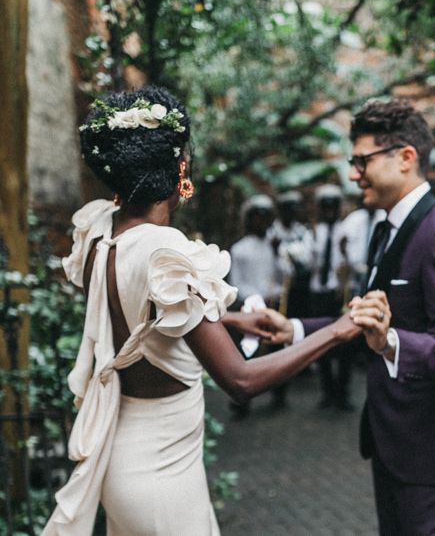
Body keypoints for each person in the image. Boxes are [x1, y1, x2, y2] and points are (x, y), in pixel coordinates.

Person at [42, 86, 388, 535]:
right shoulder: (166, 251)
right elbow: (241, 381)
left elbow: (136, 318)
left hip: (124, 459)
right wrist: (338, 331)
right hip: (161, 473)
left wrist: (229, 319)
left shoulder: (100, 232)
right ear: (180, 167)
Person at [264, 99, 435, 535]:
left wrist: (390, 342)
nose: (353, 174)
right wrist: (293, 328)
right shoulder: (385, 228)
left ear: (405, 158)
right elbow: (366, 319)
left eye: (361, 161)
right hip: (396, 442)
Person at [228, 194, 288, 416]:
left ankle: (279, 396)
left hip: (275, 306)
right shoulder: (239, 249)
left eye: (267, 217)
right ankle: (242, 401)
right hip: (251, 308)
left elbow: (287, 274)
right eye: (258, 217)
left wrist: (276, 253)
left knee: (277, 349)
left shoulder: (275, 245)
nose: (263, 222)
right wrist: (257, 299)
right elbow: (236, 283)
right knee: (247, 352)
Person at [309, 184, 356, 410]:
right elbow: (306, 265)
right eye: (325, 206)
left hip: (341, 293)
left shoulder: (347, 230)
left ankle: (342, 393)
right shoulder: (312, 232)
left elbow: (355, 264)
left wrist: (346, 252)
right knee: (321, 343)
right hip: (319, 293)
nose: (329, 210)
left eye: (333, 206)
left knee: (346, 344)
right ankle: (327, 392)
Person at [267, 190, 313, 319]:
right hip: (277, 288)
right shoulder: (271, 232)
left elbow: (307, 260)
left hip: (300, 288)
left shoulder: (302, 231)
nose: (293, 213)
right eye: (289, 209)